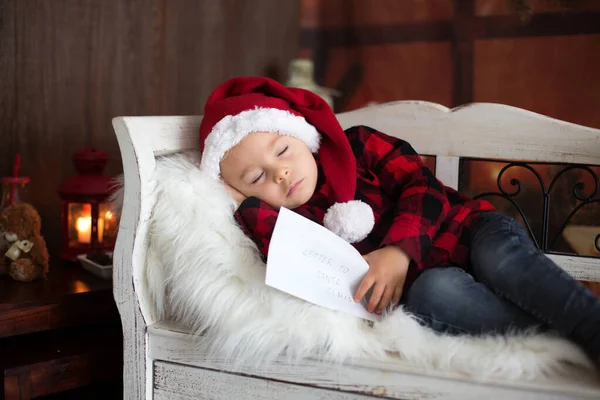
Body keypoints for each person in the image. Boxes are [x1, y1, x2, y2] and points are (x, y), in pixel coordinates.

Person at [197, 76, 600, 367]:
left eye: (283, 150)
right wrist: (237, 201)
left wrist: (398, 250)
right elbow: (280, 253)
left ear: (302, 136)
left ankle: (590, 324)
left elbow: (420, 186)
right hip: (431, 282)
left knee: (500, 256)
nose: (280, 173)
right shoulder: (292, 224)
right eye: (256, 178)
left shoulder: (358, 146)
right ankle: (561, 338)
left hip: (467, 230)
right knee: (434, 294)